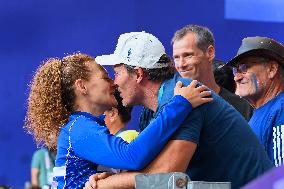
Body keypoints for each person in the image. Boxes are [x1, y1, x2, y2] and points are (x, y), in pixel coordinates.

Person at [87, 31, 273, 189]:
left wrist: (109, 183)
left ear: (138, 74)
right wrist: (113, 176)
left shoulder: (184, 95)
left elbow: (168, 174)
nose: (115, 82)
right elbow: (149, 167)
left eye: (117, 73)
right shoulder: (152, 110)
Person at [24, 53, 212, 188]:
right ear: (82, 86)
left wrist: (107, 179)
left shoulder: (80, 127)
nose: (113, 83)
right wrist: (179, 104)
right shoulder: (79, 129)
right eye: (106, 77)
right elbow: (132, 156)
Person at [172, 24, 253, 120]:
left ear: (210, 53)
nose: (181, 64)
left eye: (188, 55)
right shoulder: (168, 102)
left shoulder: (242, 108)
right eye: (176, 58)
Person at [227, 36, 284, 166]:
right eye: (235, 70)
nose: (237, 77)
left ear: (272, 69)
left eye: (243, 68)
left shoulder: (281, 109)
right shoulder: (261, 112)